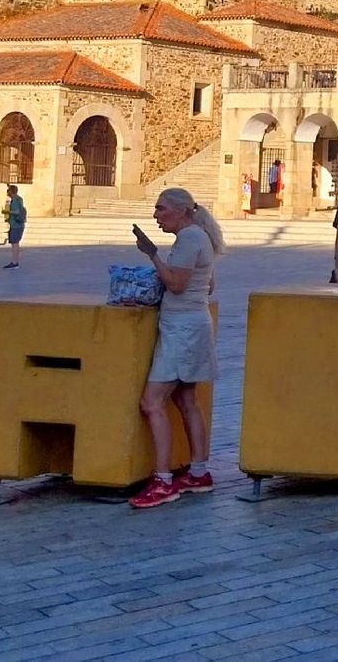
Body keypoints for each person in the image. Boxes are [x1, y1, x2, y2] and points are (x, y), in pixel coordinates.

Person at [129, 187, 226, 509]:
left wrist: (152, 254)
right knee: (186, 400)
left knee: (151, 402)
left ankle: (162, 480)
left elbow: (177, 284)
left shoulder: (188, 239)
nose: (156, 216)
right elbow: (207, 283)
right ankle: (198, 472)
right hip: (192, 324)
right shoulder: (200, 237)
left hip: (182, 330)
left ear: (181, 211)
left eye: (161, 209)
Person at [2, 184, 26, 268]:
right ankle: (15, 261)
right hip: (18, 224)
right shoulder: (19, 199)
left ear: (11, 191)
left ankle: (14, 262)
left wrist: (7, 212)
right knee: (15, 243)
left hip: (15, 225)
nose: (7, 192)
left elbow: (16, 211)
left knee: (14, 244)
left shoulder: (15, 200)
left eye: (8, 190)